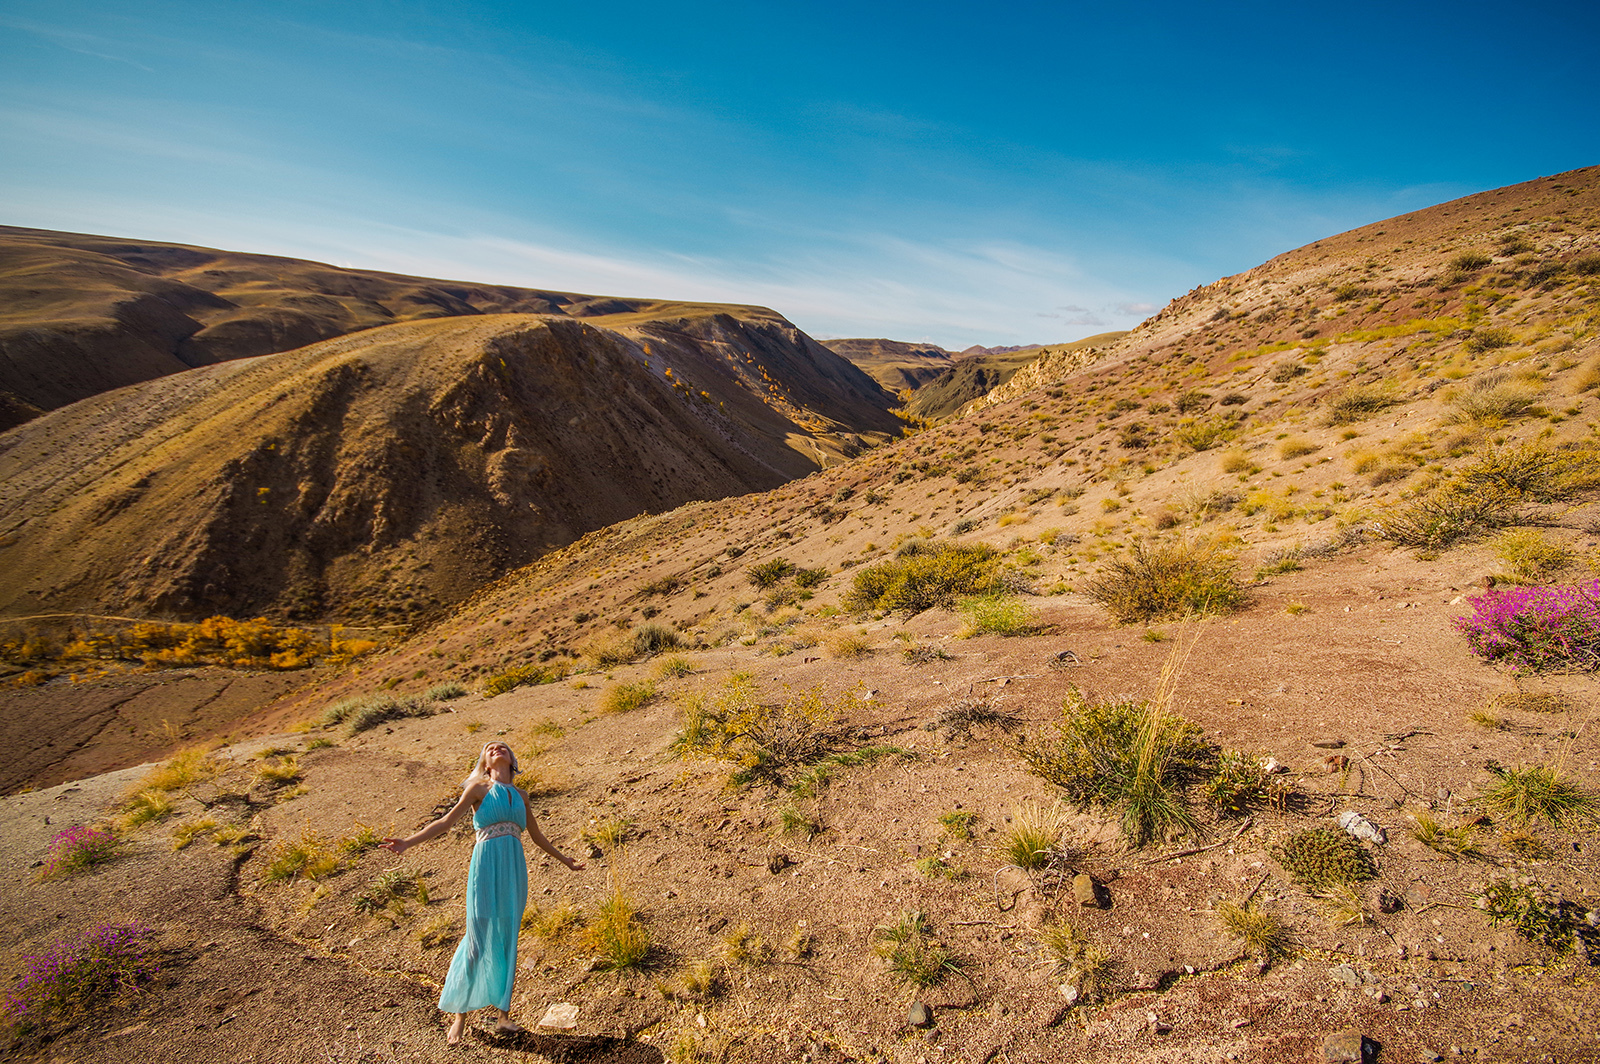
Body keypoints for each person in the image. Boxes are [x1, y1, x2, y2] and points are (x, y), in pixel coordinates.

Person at [383, 740, 584, 1045]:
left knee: (508, 937)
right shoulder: (479, 790)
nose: (497, 749)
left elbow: (537, 836)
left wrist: (564, 859)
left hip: (514, 868)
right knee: (477, 937)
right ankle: (459, 1016)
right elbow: (445, 822)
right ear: (486, 763)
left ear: (512, 760)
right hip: (486, 865)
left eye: (502, 747)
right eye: (490, 749)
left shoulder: (522, 796)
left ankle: (503, 1017)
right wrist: (408, 842)